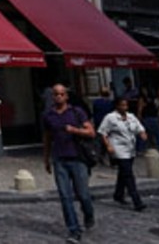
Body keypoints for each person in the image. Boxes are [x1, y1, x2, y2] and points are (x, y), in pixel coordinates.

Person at [43, 83, 95, 243]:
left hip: (78, 158)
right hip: (59, 159)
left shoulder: (76, 112)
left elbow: (91, 132)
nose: (58, 96)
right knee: (65, 197)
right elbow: (47, 138)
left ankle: (88, 215)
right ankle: (74, 230)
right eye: (56, 94)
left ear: (66, 96)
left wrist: (75, 130)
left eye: (61, 94)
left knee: (83, 194)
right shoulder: (48, 115)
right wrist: (46, 158)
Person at [98, 97, 147, 211]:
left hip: (130, 148)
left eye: (126, 105)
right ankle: (137, 201)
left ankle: (118, 194)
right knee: (128, 174)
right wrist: (108, 146)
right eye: (122, 105)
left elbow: (139, 127)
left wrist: (142, 133)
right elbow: (103, 132)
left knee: (123, 172)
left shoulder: (131, 117)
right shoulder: (110, 118)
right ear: (117, 106)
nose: (124, 107)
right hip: (118, 148)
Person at [137, 86, 159, 157]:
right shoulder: (146, 98)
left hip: (150, 117)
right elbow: (140, 108)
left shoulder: (149, 98)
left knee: (147, 133)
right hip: (149, 117)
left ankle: (141, 149)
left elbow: (140, 108)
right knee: (157, 134)